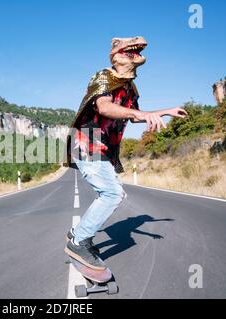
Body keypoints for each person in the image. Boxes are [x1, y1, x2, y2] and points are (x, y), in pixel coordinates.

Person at [64, 36, 187, 270]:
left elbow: (135, 114)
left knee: (112, 193)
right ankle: (79, 242)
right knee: (112, 194)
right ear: (115, 56)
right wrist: (140, 115)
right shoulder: (103, 76)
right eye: (127, 49)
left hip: (103, 148)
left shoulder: (130, 87)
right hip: (87, 143)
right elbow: (104, 107)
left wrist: (164, 112)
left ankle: (76, 234)